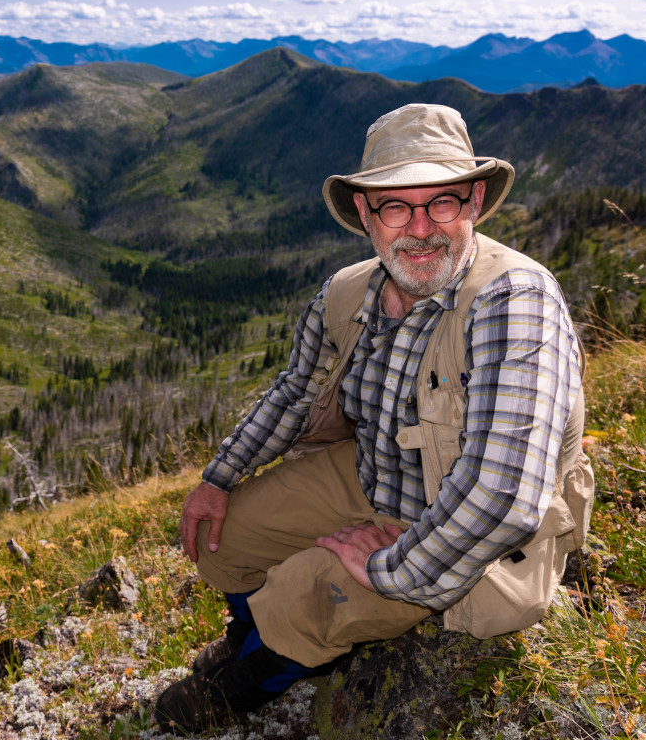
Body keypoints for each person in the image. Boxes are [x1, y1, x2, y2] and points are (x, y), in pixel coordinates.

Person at [153, 103, 593, 733]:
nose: (420, 228)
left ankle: (241, 690)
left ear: (473, 200)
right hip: (374, 472)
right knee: (228, 540)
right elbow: (295, 392)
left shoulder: (513, 300)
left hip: (469, 522)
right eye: (395, 206)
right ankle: (260, 641)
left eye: (441, 202)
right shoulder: (348, 292)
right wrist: (218, 479)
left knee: (309, 593)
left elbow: (505, 494)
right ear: (364, 214)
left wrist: (392, 567)